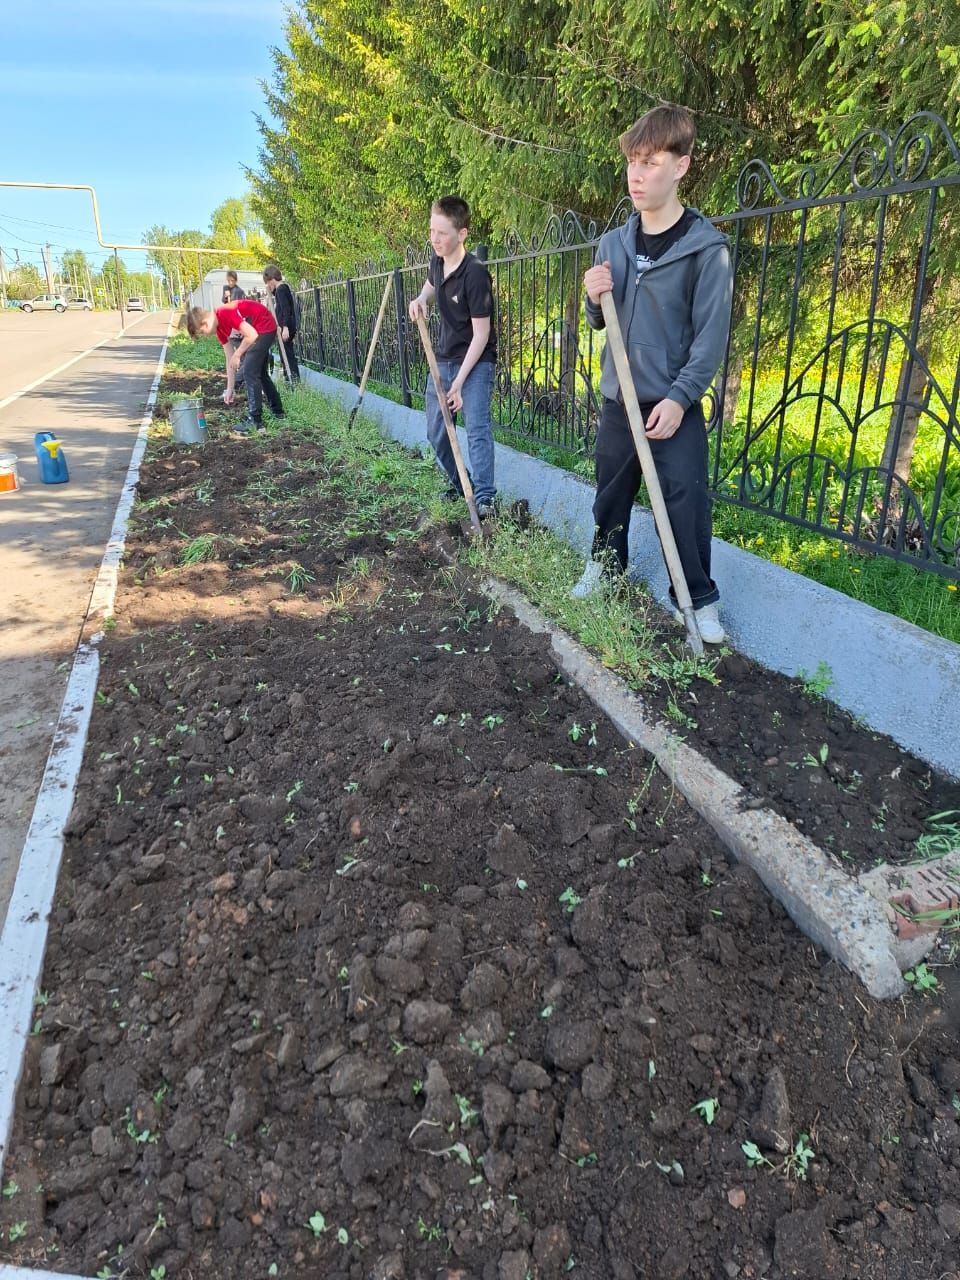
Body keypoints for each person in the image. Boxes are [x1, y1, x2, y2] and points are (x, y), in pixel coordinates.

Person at [571, 105, 733, 644]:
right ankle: (607, 570)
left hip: (671, 406)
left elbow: (709, 341)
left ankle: (697, 600)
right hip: (620, 400)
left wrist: (681, 399)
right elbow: (603, 321)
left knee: (685, 497)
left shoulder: (705, 250)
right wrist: (595, 299)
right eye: (631, 163)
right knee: (610, 494)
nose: (636, 176)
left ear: (682, 166)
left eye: (650, 162)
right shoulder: (614, 244)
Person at [408, 196, 497, 517]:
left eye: (442, 233)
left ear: (462, 234)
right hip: (442, 358)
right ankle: (463, 486)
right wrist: (420, 299)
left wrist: (458, 384)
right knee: (436, 432)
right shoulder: (437, 261)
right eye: (432, 231)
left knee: (476, 429)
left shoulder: (475, 275)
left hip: (475, 362)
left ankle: (485, 497)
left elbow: (481, 335)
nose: (434, 239)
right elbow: (431, 286)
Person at [185, 298, 285, 435]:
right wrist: (230, 389)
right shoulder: (220, 330)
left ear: (205, 323)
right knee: (259, 373)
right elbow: (229, 360)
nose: (205, 336)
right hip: (260, 329)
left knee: (249, 371)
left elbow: (252, 335)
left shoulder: (225, 312)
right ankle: (278, 411)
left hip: (265, 326)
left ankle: (255, 421)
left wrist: (238, 354)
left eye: (202, 333)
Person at [262, 265, 300, 383]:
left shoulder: (281, 289)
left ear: (271, 279)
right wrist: (270, 291)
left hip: (286, 327)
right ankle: (289, 378)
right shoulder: (280, 289)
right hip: (285, 326)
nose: (267, 285)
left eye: (267, 282)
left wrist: (285, 327)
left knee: (287, 355)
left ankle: (292, 380)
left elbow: (286, 310)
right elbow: (278, 298)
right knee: (285, 354)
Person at [222, 270, 247, 389]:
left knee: (243, 356)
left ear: (236, 280)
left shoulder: (239, 292)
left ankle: (238, 381)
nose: (230, 283)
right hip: (231, 328)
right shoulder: (226, 289)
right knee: (239, 356)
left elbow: (239, 310)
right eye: (229, 281)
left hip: (237, 328)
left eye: (232, 281)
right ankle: (237, 381)